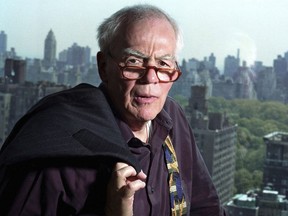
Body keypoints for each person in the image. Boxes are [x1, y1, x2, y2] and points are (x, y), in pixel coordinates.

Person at [0, 4, 227, 216]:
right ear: (103, 67)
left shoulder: (173, 119)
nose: (150, 78)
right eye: (134, 62)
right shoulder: (56, 149)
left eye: (164, 64)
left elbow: (205, 206)